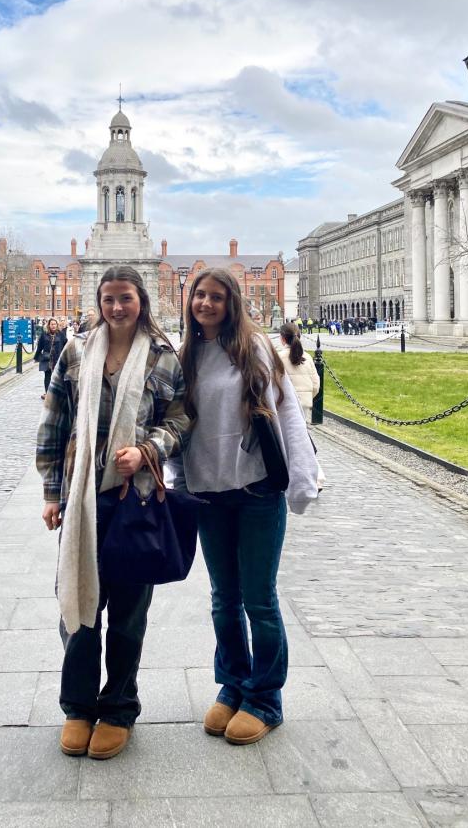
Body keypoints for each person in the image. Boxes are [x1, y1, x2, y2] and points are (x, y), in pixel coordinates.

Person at [36, 266, 188, 761]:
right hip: (82, 498)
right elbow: (55, 418)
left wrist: (149, 449)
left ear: (140, 300)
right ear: (99, 302)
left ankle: (119, 706)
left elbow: (182, 418)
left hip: (135, 497)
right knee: (78, 605)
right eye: (108, 299)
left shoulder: (164, 356)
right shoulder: (77, 350)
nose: (117, 307)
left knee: (127, 612)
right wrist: (52, 491)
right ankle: (78, 706)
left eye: (125, 298)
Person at [178, 268, 318, 746]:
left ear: (231, 303)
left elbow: (287, 416)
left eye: (217, 297)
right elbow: (180, 425)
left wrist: (301, 481)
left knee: (259, 598)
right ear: (189, 301)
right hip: (209, 493)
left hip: (257, 489)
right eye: (200, 295)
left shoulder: (254, 349)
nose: (207, 304)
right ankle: (233, 683)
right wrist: (174, 481)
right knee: (223, 599)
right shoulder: (187, 354)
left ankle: (265, 698)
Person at [279, 323, 325, 492]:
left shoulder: (279, 357)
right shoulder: (307, 357)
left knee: (297, 442)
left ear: (282, 338)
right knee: (301, 439)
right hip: (304, 402)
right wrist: (306, 398)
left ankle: (316, 477)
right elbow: (315, 384)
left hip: (286, 405)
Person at [35, 318, 65, 398]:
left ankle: (57, 393)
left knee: (57, 376)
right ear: (49, 325)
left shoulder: (61, 334)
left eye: (54, 324)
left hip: (57, 358)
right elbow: (40, 346)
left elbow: (65, 345)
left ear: (57, 325)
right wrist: (37, 357)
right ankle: (48, 393)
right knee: (47, 376)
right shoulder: (44, 334)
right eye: (51, 324)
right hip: (46, 359)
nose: (53, 326)